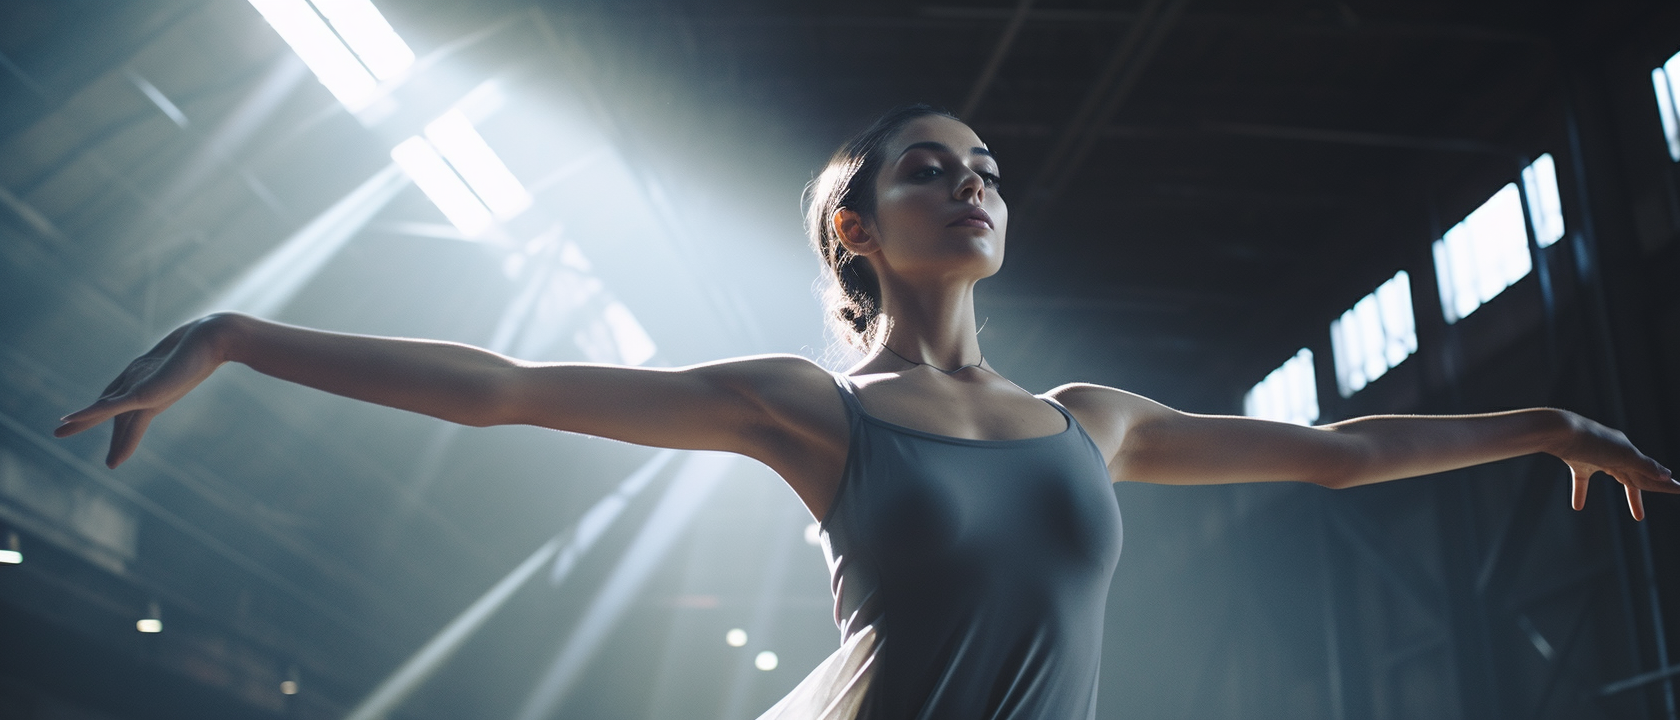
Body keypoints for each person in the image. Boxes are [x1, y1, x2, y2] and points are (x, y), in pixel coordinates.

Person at [55, 104, 1675, 720]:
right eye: (927, 168)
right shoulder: (807, 411)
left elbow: (1337, 454)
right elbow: (507, 390)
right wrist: (247, 333)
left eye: (987, 168)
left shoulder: (1090, 418)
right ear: (854, 229)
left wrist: (1539, 425)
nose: (970, 183)